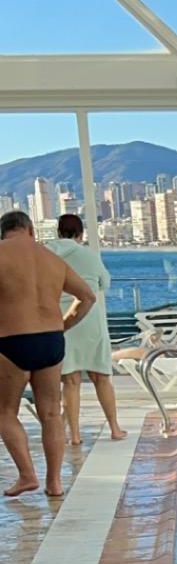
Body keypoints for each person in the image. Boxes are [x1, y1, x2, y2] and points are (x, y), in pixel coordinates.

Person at [0, 209, 96, 499]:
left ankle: (27, 475)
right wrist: (64, 325)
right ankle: (54, 483)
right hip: (52, 341)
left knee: (4, 412)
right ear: (30, 230)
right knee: (52, 414)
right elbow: (88, 297)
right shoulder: (52, 259)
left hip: (10, 342)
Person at [51, 214, 126, 446]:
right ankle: (114, 428)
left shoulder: (49, 253)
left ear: (58, 232)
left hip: (63, 320)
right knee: (101, 377)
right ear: (80, 233)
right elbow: (105, 282)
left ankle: (74, 436)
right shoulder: (89, 255)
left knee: (70, 381)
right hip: (90, 318)